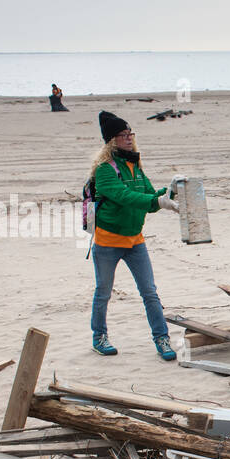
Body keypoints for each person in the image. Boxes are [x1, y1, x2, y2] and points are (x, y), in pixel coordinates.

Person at [88, 110, 180, 359]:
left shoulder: (135, 166)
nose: (129, 138)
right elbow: (124, 197)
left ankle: (162, 339)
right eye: (122, 135)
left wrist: (168, 192)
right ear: (111, 140)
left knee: (149, 291)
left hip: (135, 241)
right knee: (103, 292)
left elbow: (149, 199)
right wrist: (159, 201)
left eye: (130, 133)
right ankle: (99, 337)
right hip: (108, 243)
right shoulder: (105, 170)